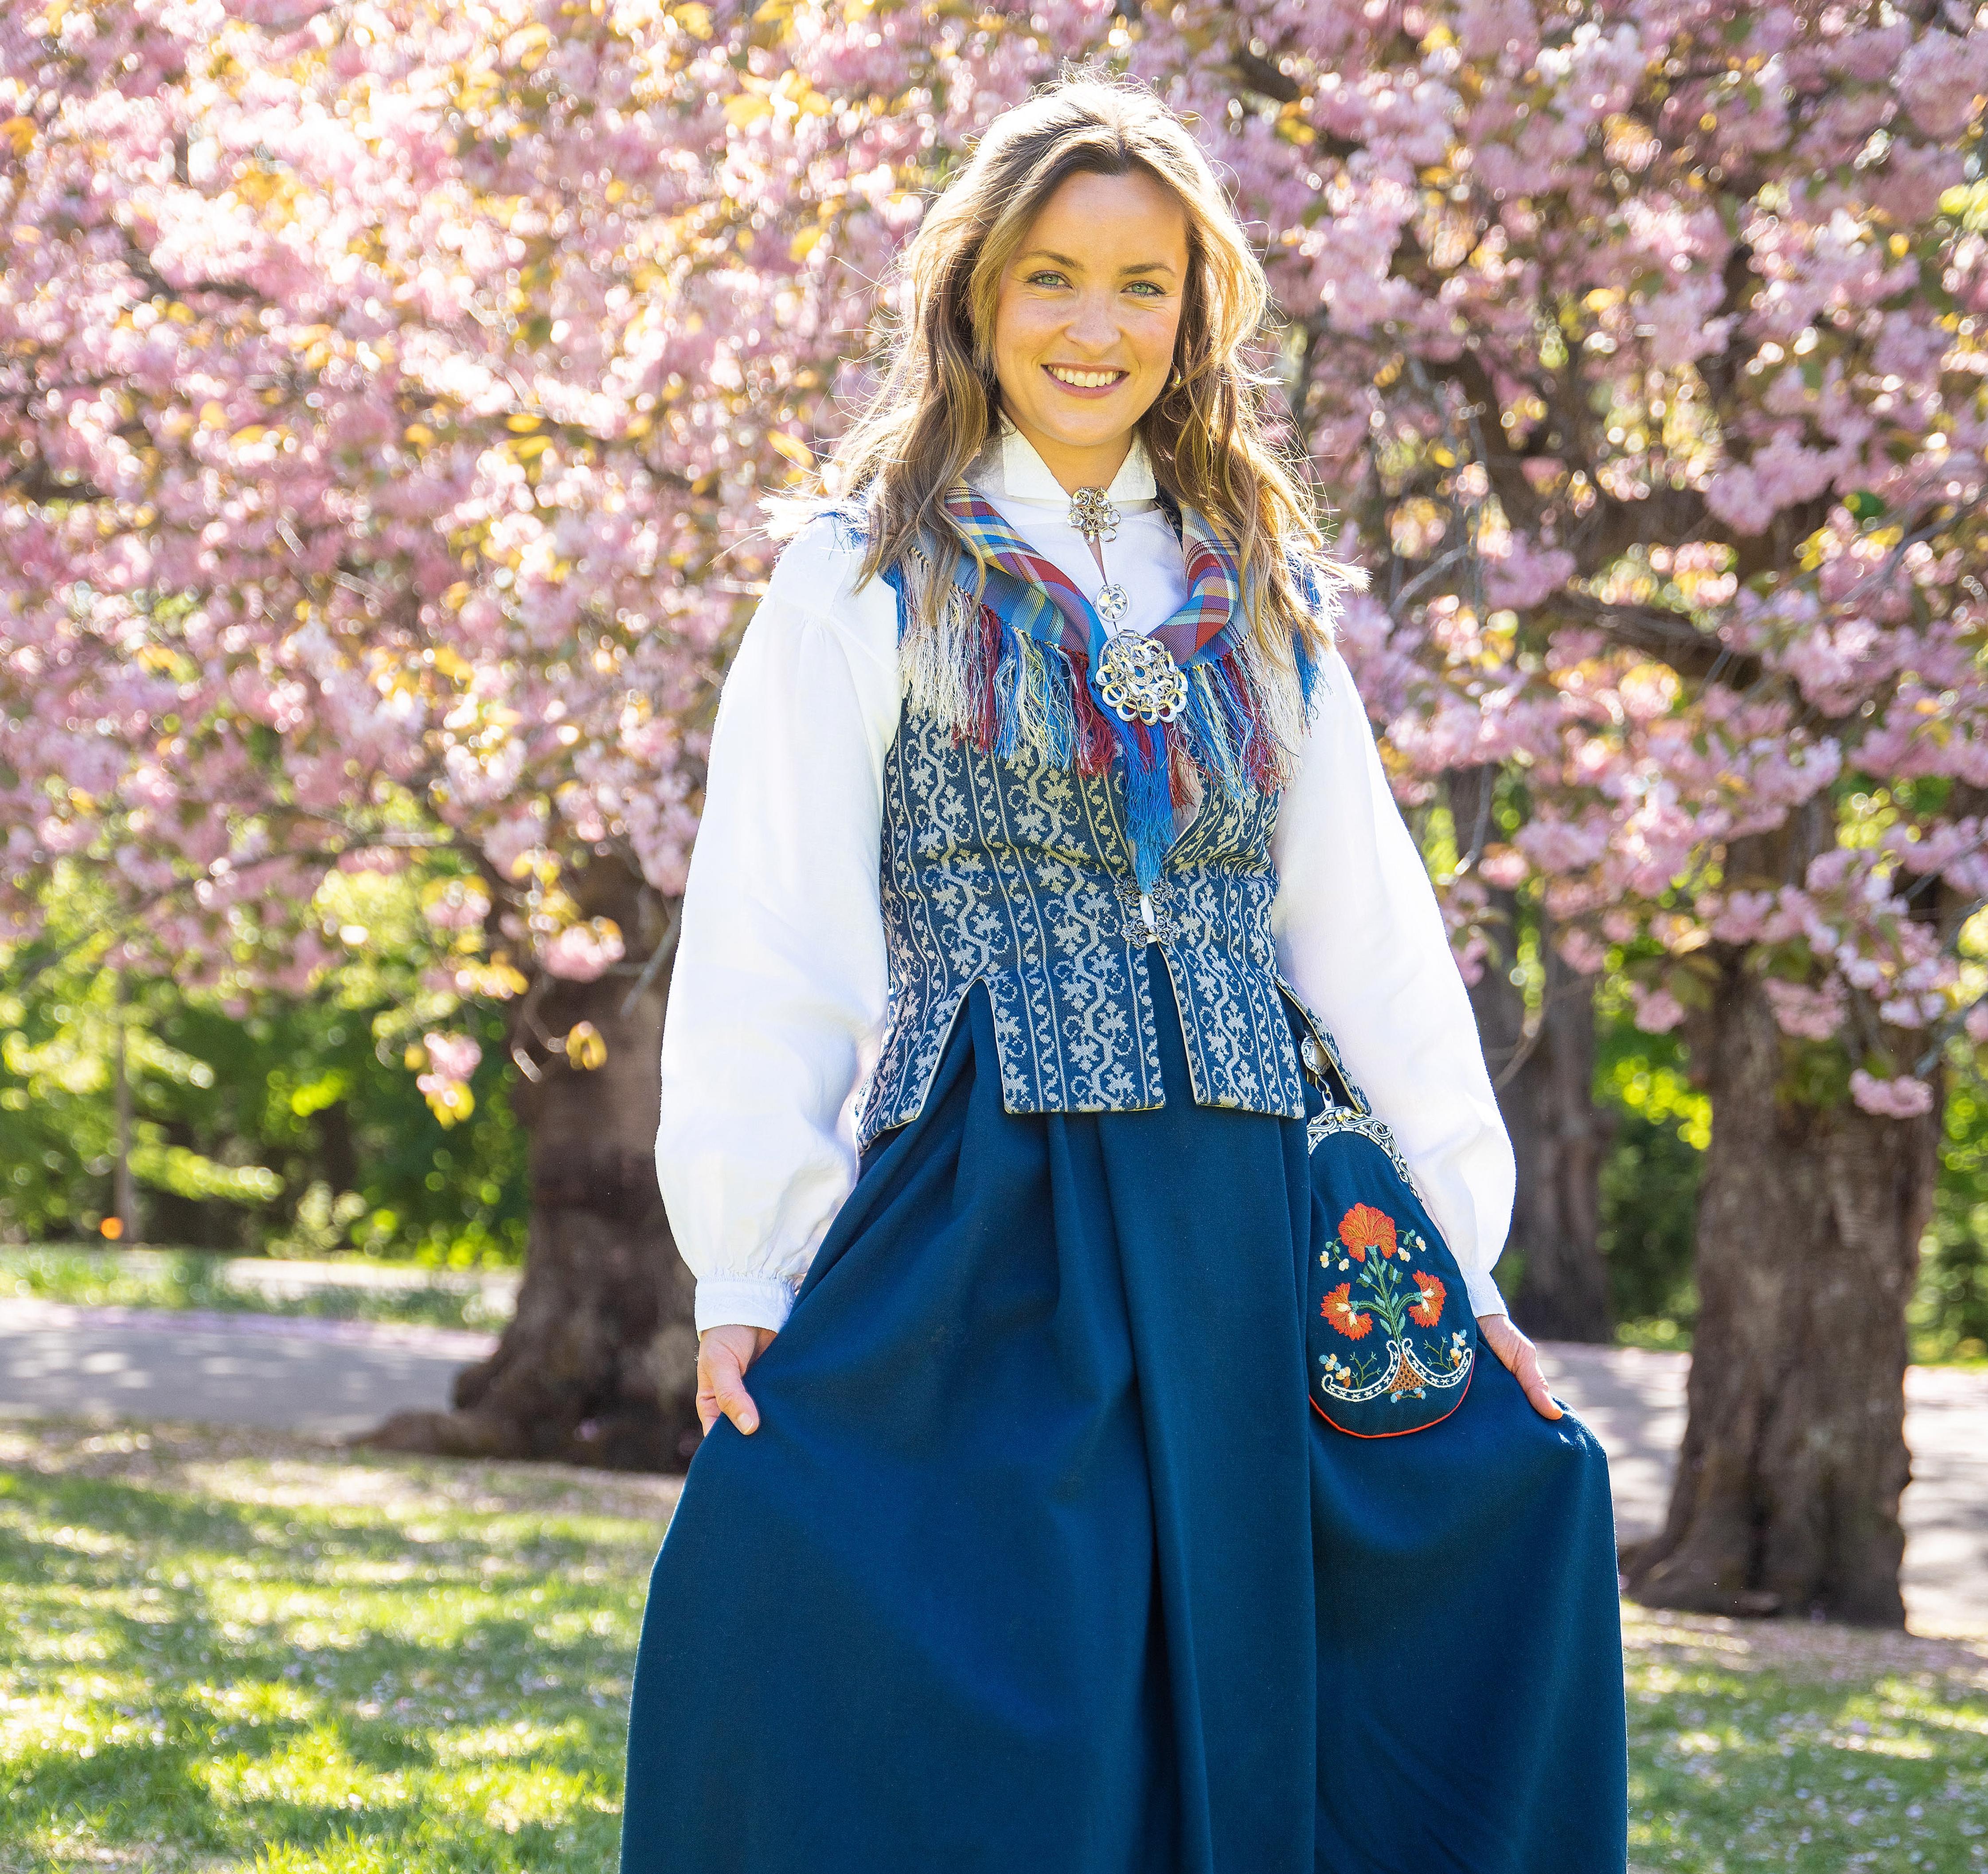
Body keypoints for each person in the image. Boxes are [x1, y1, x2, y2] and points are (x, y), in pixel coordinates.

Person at [620, 70, 1629, 1874]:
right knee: (941, 1619)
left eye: (1143, 283)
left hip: (1256, 1193)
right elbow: (774, 922)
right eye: (1052, 279)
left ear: (1197, 309)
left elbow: (1365, 927)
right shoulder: (860, 573)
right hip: (988, 1194)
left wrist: (1458, 1253)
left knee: (1505, 1513)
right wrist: (750, 1254)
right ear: (978, 296)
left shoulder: (1263, 584)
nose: (1096, 326)